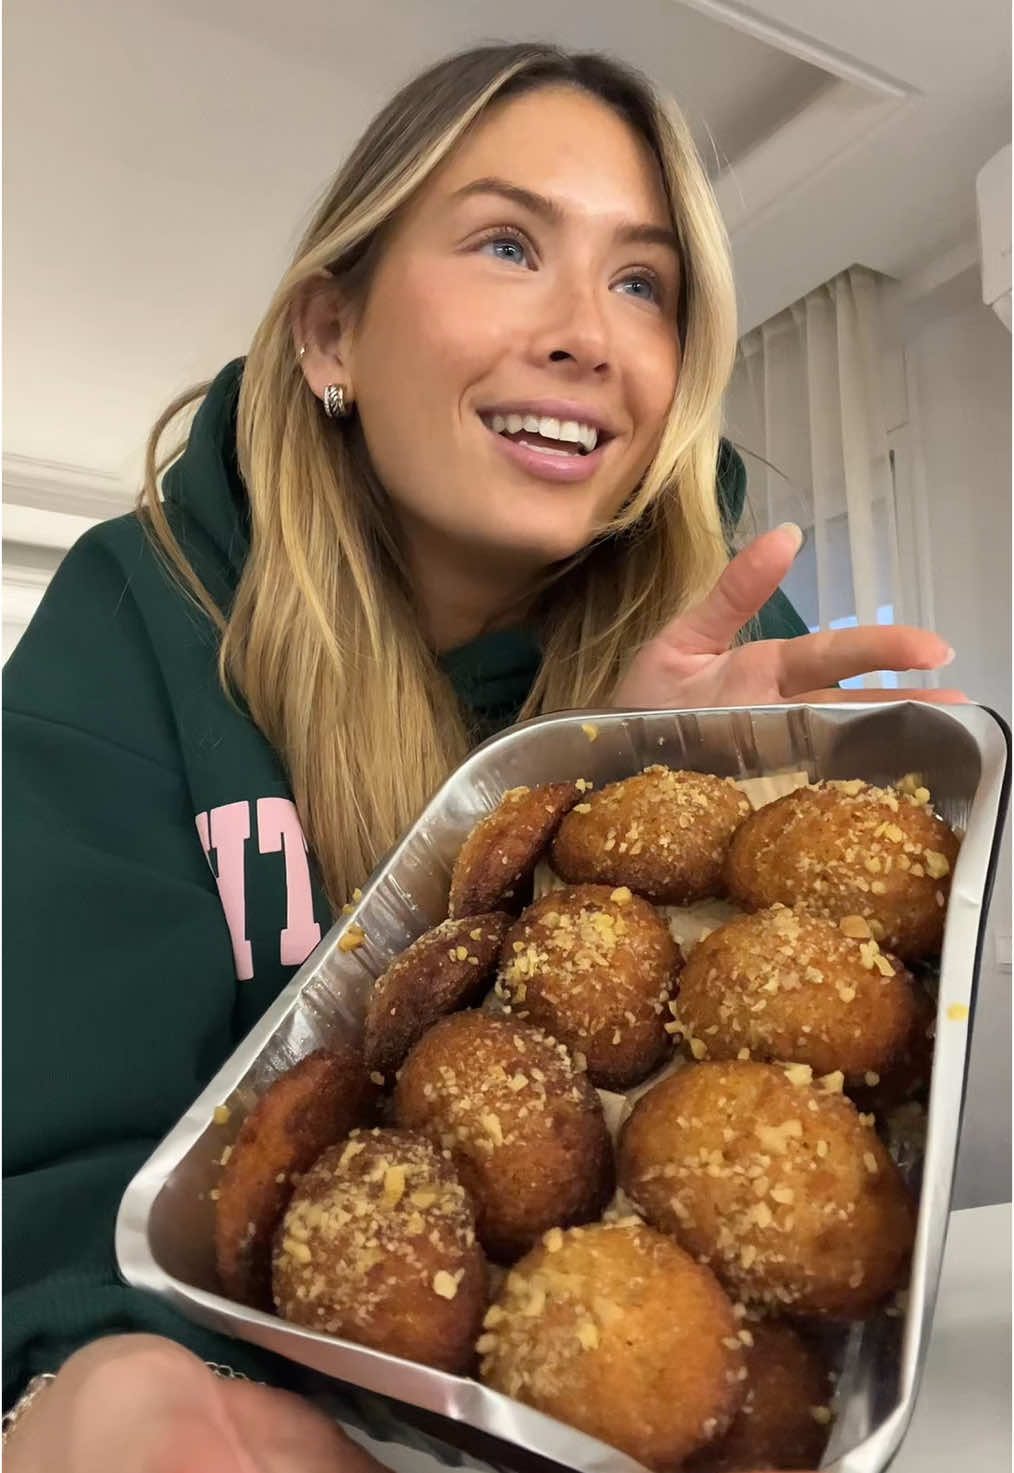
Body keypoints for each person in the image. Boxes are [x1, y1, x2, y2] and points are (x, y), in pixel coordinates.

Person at [2, 41, 961, 1473]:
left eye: (644, 282)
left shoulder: (732, 648)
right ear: (331, 335)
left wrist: (617, 768)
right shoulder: (139, 616)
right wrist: (76, 1375)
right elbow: (42, 1161)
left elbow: (879, 1073)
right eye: (510, 243)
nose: (590, 331)